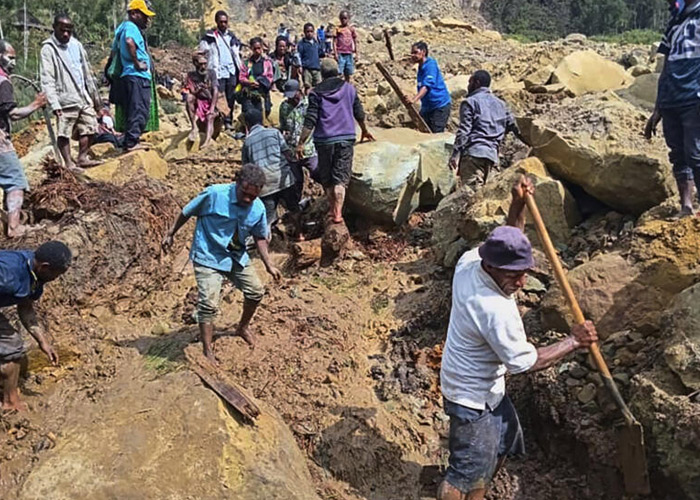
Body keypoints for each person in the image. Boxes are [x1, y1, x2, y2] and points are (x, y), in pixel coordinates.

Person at [438, 176, 599, 500]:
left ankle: (479, 482)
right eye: (514, 275)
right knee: (463, 476)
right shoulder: (494, 309)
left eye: (525, 272)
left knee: (502, 444)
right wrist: (574, 341)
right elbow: (527, 363)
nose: (522, 283)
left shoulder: (471, 262)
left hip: (485, 389)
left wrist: (517, 204)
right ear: (493, 267)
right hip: (471, 399)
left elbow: (510, 239)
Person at [161, 164, 282, 362]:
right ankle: (207, 349)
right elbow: (186, 212)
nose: (247, 199)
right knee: (208, 304)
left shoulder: (257, 208)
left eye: (252, 196)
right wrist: (170, 233)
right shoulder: (214, 195)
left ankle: (242, 327)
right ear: (237, 182)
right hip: (208, 254)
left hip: (235, 256)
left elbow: (260, 236)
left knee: (256, 291)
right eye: (244, 193)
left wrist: (268, 264)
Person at [297, 58, 374, 224]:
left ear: (322, 74)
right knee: (340, 177)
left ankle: (332, 210)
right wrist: (365, 130)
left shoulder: (316, 93)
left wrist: (301, 142)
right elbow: (359, 112)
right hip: (345, 138)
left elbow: (310, 119)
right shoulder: (349, 89)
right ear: (338, 71)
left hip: (324, 140)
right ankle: (338, 213)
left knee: (328, 177)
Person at [0, 241, 72, 411]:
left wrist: (43, 342)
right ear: (45, 267)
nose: (56, 279)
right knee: (12, 345)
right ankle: (10, 402)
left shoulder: (35, 276)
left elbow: (25, 308)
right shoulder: (8, 272)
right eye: (57, 274)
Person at [645, 0, 700, 217]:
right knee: (678, 154)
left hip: (693, 96)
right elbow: (666, 66)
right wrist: (658, 107)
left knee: (695, 153)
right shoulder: (675, 22)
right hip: (671, 98)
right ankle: (686, 206)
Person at [40, 13, 102, 172]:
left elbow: (87, 73)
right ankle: (68, 163)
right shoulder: (48, 49)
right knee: (64, 131)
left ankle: (82, 157)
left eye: (69, 30)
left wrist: (96, 101)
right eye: (62, 30)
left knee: (90, 126)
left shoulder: (77, 45)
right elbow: (47, 79)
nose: (66, 34)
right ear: (54, 28)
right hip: (65, 97)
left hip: (82, 95)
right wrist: (54, 103)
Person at [0, 40, 48, 238]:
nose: (13, 62)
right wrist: (36, 104)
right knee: (15, 181)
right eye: (10, 57)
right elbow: (13, 114)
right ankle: (14, 227)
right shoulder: (3, 82)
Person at [449, 70, 527, 188]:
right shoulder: (501, 104)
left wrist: (455, 154)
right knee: (486, 197)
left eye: (470, 82)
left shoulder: (470, 102)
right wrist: (531, 144)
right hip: (493, 157)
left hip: (474, 154)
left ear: (477, 83)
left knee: (471, 196)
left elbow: (464, 131)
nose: (468, 86)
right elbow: (515, 127)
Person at [241, 108, 301, 237]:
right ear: (262, 120)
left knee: (267, 219)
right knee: (294, 209)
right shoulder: (274, 133)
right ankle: (299, 235)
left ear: (247, 124)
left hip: (264, 185)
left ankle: (267, 246)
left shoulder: (247, 142)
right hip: (283, 179)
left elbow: (247, 168)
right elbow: (287, 153)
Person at [111, 0, 158, 152]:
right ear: (134, 14)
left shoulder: (121, 28)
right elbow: (129, 41)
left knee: (132, 108)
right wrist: (137, 63)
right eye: (144, 16)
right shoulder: (131, 27)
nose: (147, 19)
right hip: (137, 75)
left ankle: (130, 140)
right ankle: (131, 142)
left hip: (128, 75)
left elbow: (113, 52)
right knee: (139, 109)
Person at [198, 10, 243, 130]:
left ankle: (228, 121)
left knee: (231, 97)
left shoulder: (232, 37)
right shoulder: (209, 37)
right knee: (219, 97)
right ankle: (220, 122)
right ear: (216, 22)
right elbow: (202, 52)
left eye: (225, 22)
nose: (223, 24)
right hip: (218, 71)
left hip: (231, 71)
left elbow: (237, 53)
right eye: (221, 22)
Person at [406, 41, 452, 133]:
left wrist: (414, 99)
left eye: (415, 52)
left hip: (439, 105)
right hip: (427, 107)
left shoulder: (430, 65)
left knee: (436, 134)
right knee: (422, 131)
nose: (412, 55)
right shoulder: (421, 66)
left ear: (423, 52)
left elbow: (427, 86)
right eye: (412, 53)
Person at [185, 51, 219, 149]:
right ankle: (194, 127)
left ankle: (207, 140)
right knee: (189, 98)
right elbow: (192, 92)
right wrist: (198, 90)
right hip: (199, 101)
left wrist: (212, 108)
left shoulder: (211, 73)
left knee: (210, 116)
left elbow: (215, 90)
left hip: (210, 100)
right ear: (195, 64)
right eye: (201, 64)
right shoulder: (191, 75)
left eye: (205, 64)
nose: (203, 66)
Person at [238, 37, 274, 117]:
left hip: (262, 93)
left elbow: (270, 76)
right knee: (248, 113)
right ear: (251, 49)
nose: (257, 51)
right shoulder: (247, 63)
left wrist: (261, 83)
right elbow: (242, 77)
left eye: (259, 48)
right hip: (249, 93)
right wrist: (249, 82)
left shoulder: (267, 62)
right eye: (255, 49)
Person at [297, 23, 325, 93]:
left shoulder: (316, 43)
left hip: (316, 67)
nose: (309, 33)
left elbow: (321, 53)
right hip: (307, 68)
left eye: (311, 31)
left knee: (319, 85)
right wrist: (300, 66)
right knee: (307, 85)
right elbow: (298, 55)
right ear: (304, 32)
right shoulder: (302, 43)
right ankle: (307, 100)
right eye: (307, 31)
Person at [333, 11, 358, 83]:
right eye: (342, 18)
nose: (343, 20)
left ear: (348, 19)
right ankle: (339, 86)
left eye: (345, 18)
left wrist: (356, 53)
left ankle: (346, 87)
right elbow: (334, 42)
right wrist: (335, 53)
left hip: (349, 53)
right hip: (341, 53)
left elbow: (355, 41)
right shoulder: (338, 29)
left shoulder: (351, 29)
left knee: (348, 72)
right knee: (340, 72)